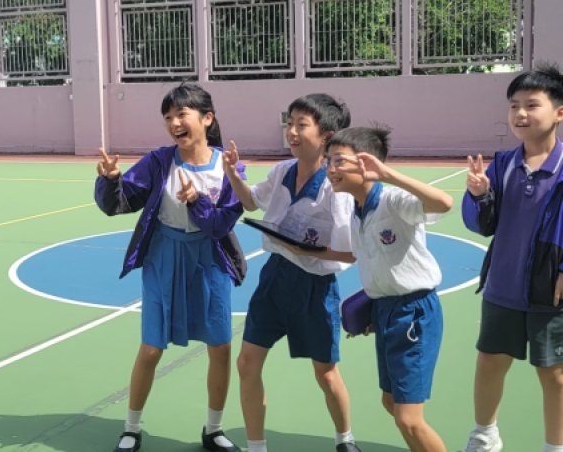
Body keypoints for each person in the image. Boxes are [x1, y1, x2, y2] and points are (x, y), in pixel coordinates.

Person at [95, 83, 246, 452]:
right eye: (168, 117)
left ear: (207, 118)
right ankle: (131, 428)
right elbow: (119, 203)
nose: (174, 123)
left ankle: (213, 429)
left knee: (220, 347)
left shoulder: (228, 166)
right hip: (164, 256)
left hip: (209, 259)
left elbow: (220, 225)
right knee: (151, 348)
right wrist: (111, 180)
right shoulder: (159, 161)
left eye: (181, 114)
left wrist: (196, 202)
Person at [224, 94, 362, 452]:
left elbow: (353, 252)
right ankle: (256, 446)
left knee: (326, 373)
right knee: (247, 363)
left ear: (326, 135)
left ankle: (345, 439)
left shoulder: (336, 186)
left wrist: (309, 252)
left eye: (302, 125)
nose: (292, 131)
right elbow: (250, 201)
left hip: (315, 288)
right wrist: (233, 175)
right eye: (290, 123)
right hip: (274, 279)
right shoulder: (282, 170)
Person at [325, 124, 453, 452]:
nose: (331, 168)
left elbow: (443, 203)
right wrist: (371, 310)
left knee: (409, 418)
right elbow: (372, 264)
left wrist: (388, 175)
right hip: (384, 310)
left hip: (414, 311)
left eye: (339, 161)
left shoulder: (393, 200)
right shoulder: (355, 211)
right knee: (391, 403)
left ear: (367, 163)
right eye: (329, 161)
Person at [461, 62, 563, 452]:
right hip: (503, 284)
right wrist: (479, 195)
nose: (520, 113)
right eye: (514, 105)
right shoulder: (503, 164)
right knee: (489, 362)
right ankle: (484, 436)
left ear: (558, 112)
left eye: (531, 105)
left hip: (550, 289)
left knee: (554, 375)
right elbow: (482, 225)